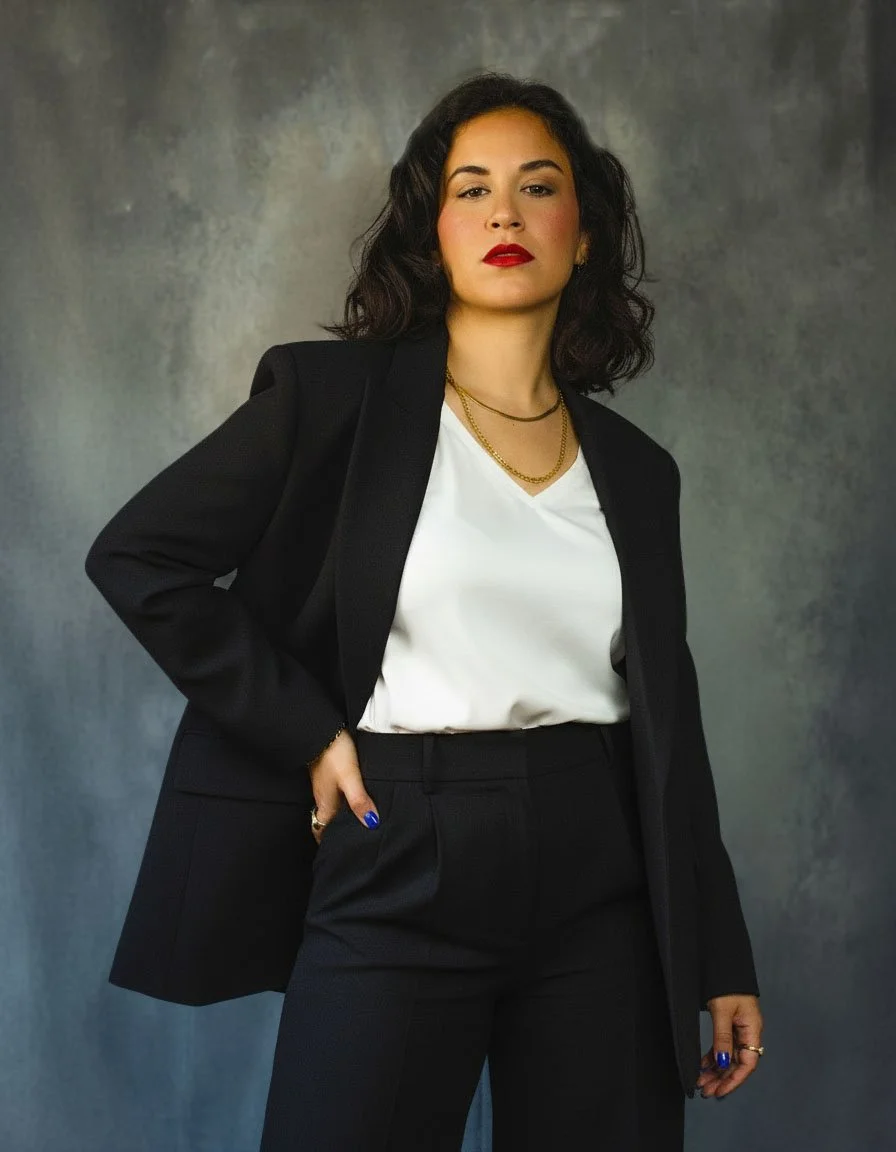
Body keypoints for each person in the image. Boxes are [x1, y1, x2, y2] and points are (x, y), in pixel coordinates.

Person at [85, 71, 763, 1151]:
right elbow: (138, 558)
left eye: (537, 187)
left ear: (583, 233)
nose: (504, 214)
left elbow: (667, 722)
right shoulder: (331, 403)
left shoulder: (639, 471)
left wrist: (718, 953)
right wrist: (306, 730)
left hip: (603, 870)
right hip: (400, 839)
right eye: (471, 190)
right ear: (432, 233)